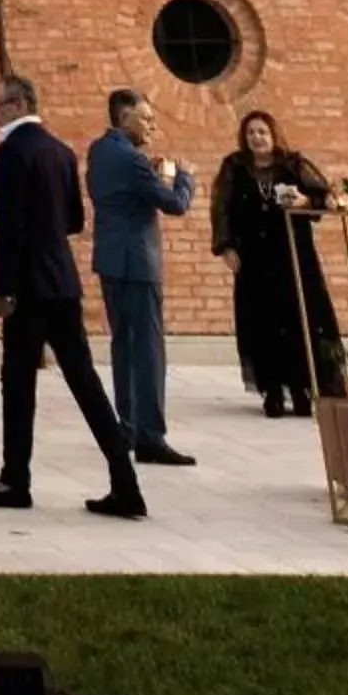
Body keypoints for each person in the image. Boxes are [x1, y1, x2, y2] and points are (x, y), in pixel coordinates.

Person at [0, 74, 146, 520]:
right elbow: (72, 222)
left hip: (27, 287)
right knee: (84, 382)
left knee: (18, 383)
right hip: (61, 282)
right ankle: (125, 481)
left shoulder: (10, 153)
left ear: (20, 102)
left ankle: (14, 479)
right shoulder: (61, 151)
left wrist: (3, 289)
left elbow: (12, 234)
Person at [87, 89, 197, 466]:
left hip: (110, 260)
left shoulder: (99, 151)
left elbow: (120, 191)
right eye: (145, 117)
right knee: (149, 349)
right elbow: (175, 204)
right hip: (138, 262)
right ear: (123, 117)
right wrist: (184, 177)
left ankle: (129, 426)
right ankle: (151, 436)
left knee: (124, 345)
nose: (152, 124)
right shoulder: (131, 159)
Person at [210, 110, 342, 418]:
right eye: (251, 132)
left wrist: (305, 202)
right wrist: (226, 246)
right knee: (261, 321)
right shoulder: (234, 167)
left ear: (273, 135)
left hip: (293, 255)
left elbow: (327, 198)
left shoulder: (293, 165)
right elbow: (221, 208)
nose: (257, 138)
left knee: (299, 318)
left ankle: (301, 389)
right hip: (253, 256)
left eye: (262, 132)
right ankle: (271, 391)